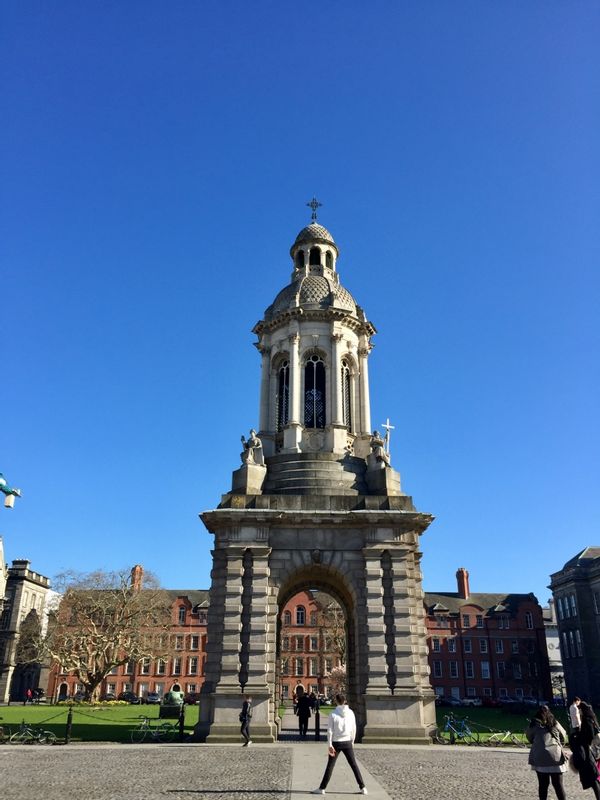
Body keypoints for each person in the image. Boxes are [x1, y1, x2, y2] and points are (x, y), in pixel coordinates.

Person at [312, 693, 367, 795]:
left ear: (336, 701)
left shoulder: (333, 714)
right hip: (347, 742)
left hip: (336, 743)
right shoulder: (351, 712)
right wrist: (352, 741)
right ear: (345, 701)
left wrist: (329, 745)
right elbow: (353, 728)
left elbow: (330, 731)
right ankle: (363, 787)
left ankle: (322, 788)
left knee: (330, 766)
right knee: (354, 765)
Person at [526, 705, 568, 800]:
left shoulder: (533, 725)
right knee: (558, 785)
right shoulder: (554, 723)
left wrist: (537, 743)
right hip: (555, 757)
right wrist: (559, 743)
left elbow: (529, 737)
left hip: (540, 757)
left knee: (543, 785)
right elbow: (563, 735)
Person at [569, 701, 600, 798]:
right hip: (595, 751)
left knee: (594, 780)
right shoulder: (592, 718)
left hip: (590, 752)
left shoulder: (587, 720)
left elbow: (589, 735)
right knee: (595, 779)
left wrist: (580, 736)